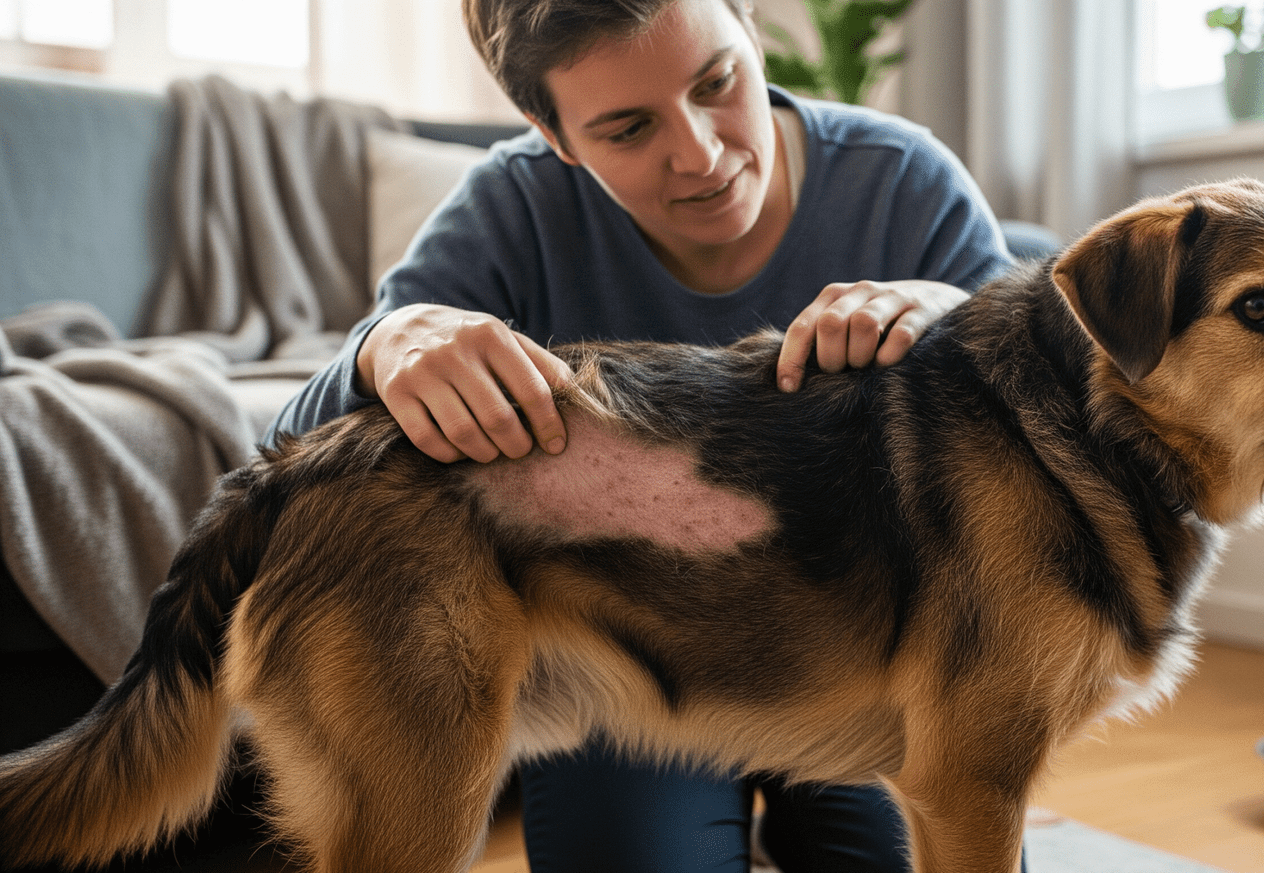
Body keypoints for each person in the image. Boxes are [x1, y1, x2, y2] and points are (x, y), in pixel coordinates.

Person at [270, 0, 1015, 869]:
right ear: (554, 136)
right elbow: (293, 457)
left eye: (719, 82)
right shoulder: (513, 208)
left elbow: (1051, 435)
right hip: (623, 668)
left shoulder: (902, 182)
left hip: (870, 669)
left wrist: (956, 318)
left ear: (748, 27)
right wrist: (380, 347)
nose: (701, 153)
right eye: (627, 128)